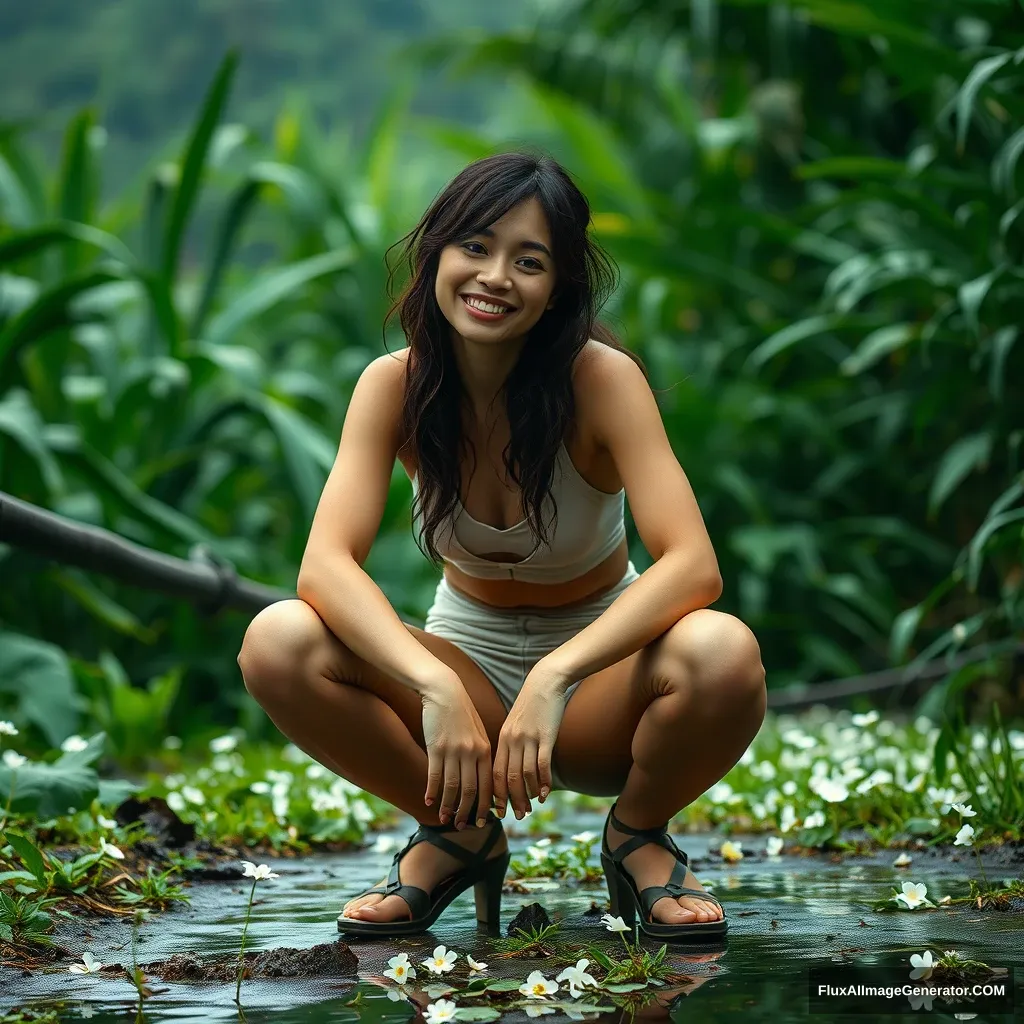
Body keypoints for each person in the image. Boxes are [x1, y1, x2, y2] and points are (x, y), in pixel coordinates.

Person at [237, 150, 767, 942]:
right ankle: (454, 833)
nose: (494, 277)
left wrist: (557, 674)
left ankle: (637, 836)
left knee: (723, 653)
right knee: (277, 640)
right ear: (438, 254)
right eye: (475, 247)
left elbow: (693, 564)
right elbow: (325, 567)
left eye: (530, 261)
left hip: (599, 683)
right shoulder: (396, 385)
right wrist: (431, 683)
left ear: (558, 290)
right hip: (469, 673)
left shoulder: (603, 382)